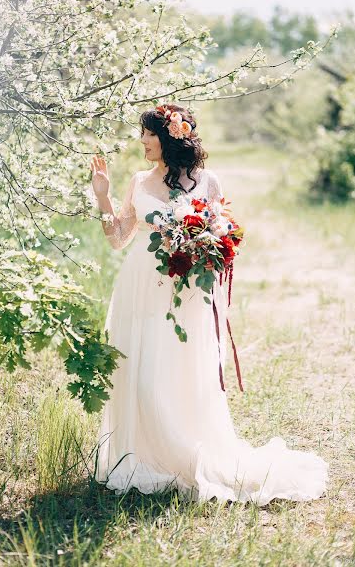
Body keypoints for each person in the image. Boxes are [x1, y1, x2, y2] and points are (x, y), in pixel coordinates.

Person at [90, 103, 328, 505]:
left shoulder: (208, 182)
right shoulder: (138, 181)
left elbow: (223, 240)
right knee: (142, 371)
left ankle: (187, 451)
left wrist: (202, 249)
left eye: (149, 134)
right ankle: (144, 455)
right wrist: (103, 198)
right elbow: (118, 238)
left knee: (180, 371)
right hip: (141, 287)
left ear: (170, 137)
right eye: (143, 134)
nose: (142, 141)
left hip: (187, 293)